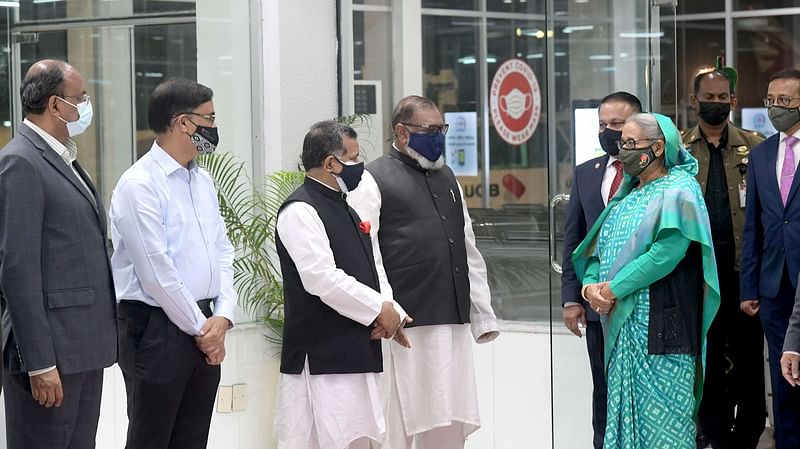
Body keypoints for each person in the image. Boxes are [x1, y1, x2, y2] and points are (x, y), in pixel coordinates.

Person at [348, 95, 499, 449]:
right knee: (399, 419)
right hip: (403, 323)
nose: (437, 137)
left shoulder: (448, 176)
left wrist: (482, 314)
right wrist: (386, 308)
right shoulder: (372, 178)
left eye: (441, 129)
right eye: (428, 130)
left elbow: (467, 247)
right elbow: (365, 253)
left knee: (450, 415)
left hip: (451, 317)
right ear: (401, 132)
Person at [573, 113, 720, 449]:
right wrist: (589, 287)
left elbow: (666, 253)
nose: (621, 150)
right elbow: (597, 250)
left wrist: (611, 289)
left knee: (668, 429)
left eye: (629, 143)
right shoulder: (625, 197)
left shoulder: (680, 190)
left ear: (657, 147)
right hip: (621, 330)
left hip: (663, 329)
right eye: (621, 143)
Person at [109, 78, 236, 449]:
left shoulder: (204, 181)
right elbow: (156, 274)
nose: (214, 127)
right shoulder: (139, 185)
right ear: (184, 123)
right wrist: (203, 331)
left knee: (192, 438)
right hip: (157, 328)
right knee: (152, 438)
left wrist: (222, 316)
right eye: (209, 119)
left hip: (205, 323)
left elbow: (223, 250)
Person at [0, 59, 117, 449]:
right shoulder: (21, 162)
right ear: (54, 105)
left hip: (82, 349)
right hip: (51, 356)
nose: (85, 104)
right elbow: (18, 271)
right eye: (80, 97)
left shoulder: (61, 156)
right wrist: (40, 362)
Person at [274, 120, 410, 449]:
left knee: (359, 440)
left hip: (356, 350)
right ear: (331, 163)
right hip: (324, 357)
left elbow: (371, 267)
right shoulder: (300, 210)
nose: (360, 166)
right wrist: (379, 309)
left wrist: (391, 312)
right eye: (353, 158)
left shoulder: (347, 207)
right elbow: (322, 279)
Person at [682, 66, 767, 449]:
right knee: (708, 357)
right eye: (708, 97)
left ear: (733, 101)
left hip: (744, 274)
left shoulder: (758, 145)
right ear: (693, 99)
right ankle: (712, 432)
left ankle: (749, 434)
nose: (714, 104)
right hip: (698, 276)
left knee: (750, 357)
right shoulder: (678, 150)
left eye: (722, 98)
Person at [561, 91, 642, 449]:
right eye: (602, 124)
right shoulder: (585, 174)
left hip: (642, 303)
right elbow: (573, 238)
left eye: (617, 124)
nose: (608, 132)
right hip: (595, 305)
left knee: (641, 391)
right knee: (603, 389)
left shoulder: (654, 174)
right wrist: (571, 298)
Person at [740, 68, 800, 449]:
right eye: (771, 100)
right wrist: (749, 285)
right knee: (783, 377)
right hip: (775, 283)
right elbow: (754, 227)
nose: (776, 108)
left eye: (785, 101)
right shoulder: (762, 154)